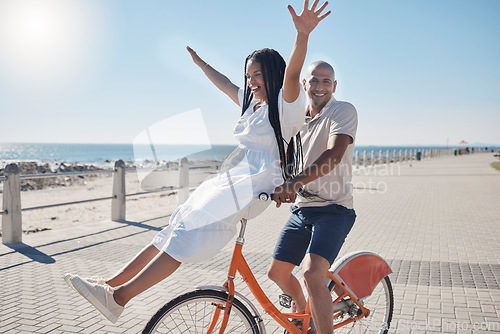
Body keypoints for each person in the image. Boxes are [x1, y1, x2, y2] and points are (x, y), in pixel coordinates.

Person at [63, 0, 331, 324]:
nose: (251, 82)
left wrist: (301, 36)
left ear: (272, 74)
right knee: (177, 223)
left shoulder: (286, 104)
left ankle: (120, 298)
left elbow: (293, 73)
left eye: (257, 75)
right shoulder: (254, 106)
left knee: (187, 235)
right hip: (237, 179)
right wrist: (202, 65)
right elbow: (225, 85)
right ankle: (109, 288)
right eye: (248, 76)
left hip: (256, 182)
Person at [268, 60, 358, 334]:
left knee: (311, 272)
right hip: (302, 208)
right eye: (314, 81)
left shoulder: (342, 111)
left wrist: (293, 183)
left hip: (335, 209)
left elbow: (333, 156)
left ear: (334, 86)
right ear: (304, 84)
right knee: (277, 273)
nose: (320, 86)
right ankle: (303, 316)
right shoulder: (295, 119)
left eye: (326, 81)